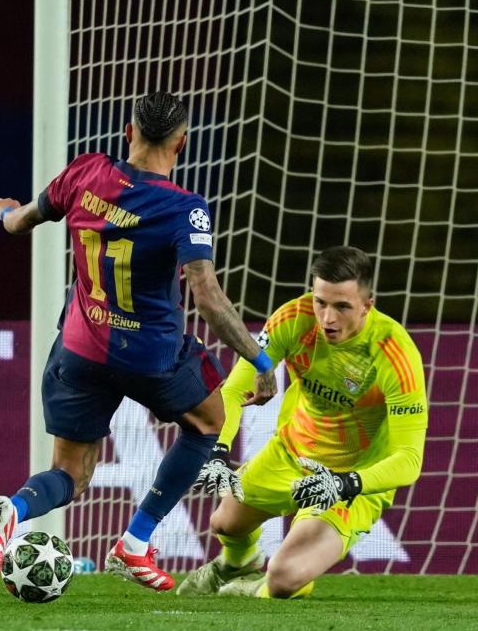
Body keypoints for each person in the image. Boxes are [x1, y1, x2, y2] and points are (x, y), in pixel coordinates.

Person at [0, 92, 277, 592]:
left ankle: (16, 508)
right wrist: (260, 359)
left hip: (80, 350)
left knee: (70, 473)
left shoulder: (84, 171)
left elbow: (18, 221)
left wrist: (5, 211)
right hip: (151, 357)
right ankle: (135, 543)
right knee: (208, 423)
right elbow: (208, 297)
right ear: (182, 142)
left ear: (128, 133)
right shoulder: (185, 208)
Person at [180, 245, 428, 598]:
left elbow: (409, 461)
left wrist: (344, 485)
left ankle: (254, 590)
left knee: (283, 580)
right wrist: (218, 452)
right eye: (320, 302)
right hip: (293, 452)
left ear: (367, 305)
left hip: (351, 478)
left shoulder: (394, 353)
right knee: (224, 522)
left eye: (342, 306)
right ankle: (237, 563)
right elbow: (234, 390)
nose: (327, 318)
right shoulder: (293, 319)